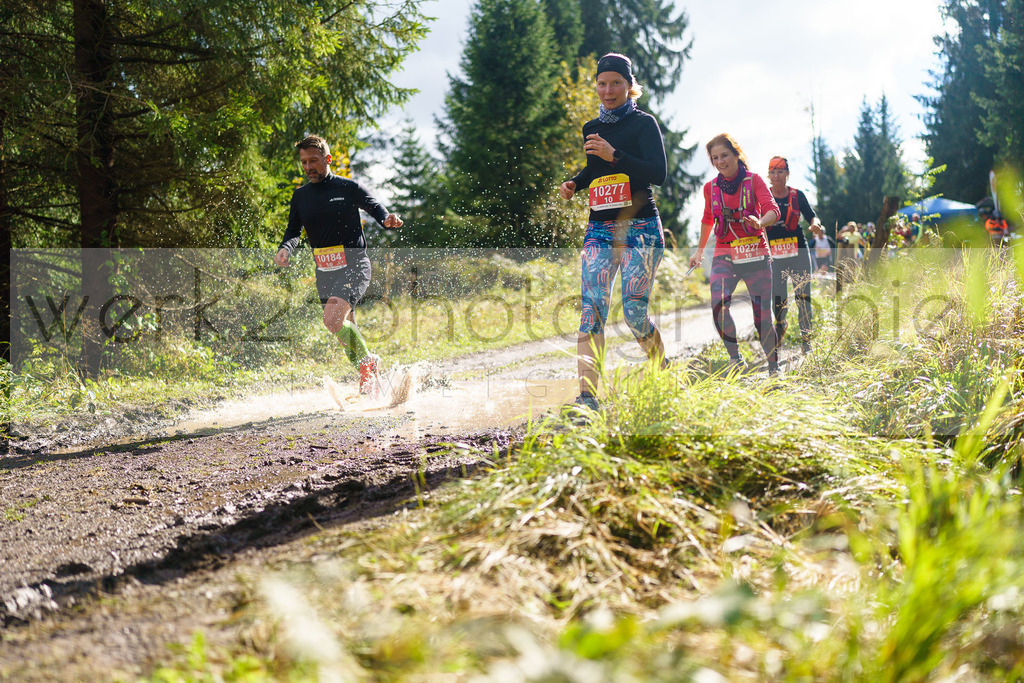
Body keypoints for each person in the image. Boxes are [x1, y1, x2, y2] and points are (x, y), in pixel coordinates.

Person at [560, 53, 668, 412]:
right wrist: (576, 182)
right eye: (602, 83)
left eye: (616, 83)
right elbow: (595, 169)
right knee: (591, 310)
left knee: (634, 314)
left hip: (641, 229)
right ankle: (587, 398)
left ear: (629, 86)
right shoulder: (592, 127)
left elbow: (657, 172)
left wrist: (615, 154)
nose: (608, 90)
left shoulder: (643, 124)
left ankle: (661, 373)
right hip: (600, 228)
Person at [274, 135, 403, 394]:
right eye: (304, 162)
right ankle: (370, 379)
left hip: (354, 265)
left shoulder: (348, 187)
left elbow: (374, 206)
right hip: (324, 271)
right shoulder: (301, 196)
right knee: (347, 333)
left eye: (313, 161)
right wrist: (285, 249)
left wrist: (386, 218)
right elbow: (293, 231)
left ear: (327, 159)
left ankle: (369, 364)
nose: (308, 167)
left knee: (332, 322)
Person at [689, 134, 780, 376]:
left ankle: (774, 368)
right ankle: (735, 359)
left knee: (762, 315)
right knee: (718, 304)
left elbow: (773, 210)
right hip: (724, 253)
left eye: (724, 155)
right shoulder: (710, 188)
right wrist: (699, 252)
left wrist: (760, 222)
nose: (720, 161)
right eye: (715, 158)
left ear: (736, 154)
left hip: (755, 253)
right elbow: (708, 218)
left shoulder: (754, 180)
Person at [765, 156, 823, 354]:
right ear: (768, 175)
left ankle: (807, 340)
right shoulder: (765, 195)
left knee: (803, 295)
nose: (776, 175)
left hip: (797, 249)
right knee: (778, 298)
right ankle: (780, 326)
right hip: (774, 254)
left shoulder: (797, 195)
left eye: (780, 171)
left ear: (787, 174)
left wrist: (815, 224)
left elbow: (811, 214)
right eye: (772, 171)